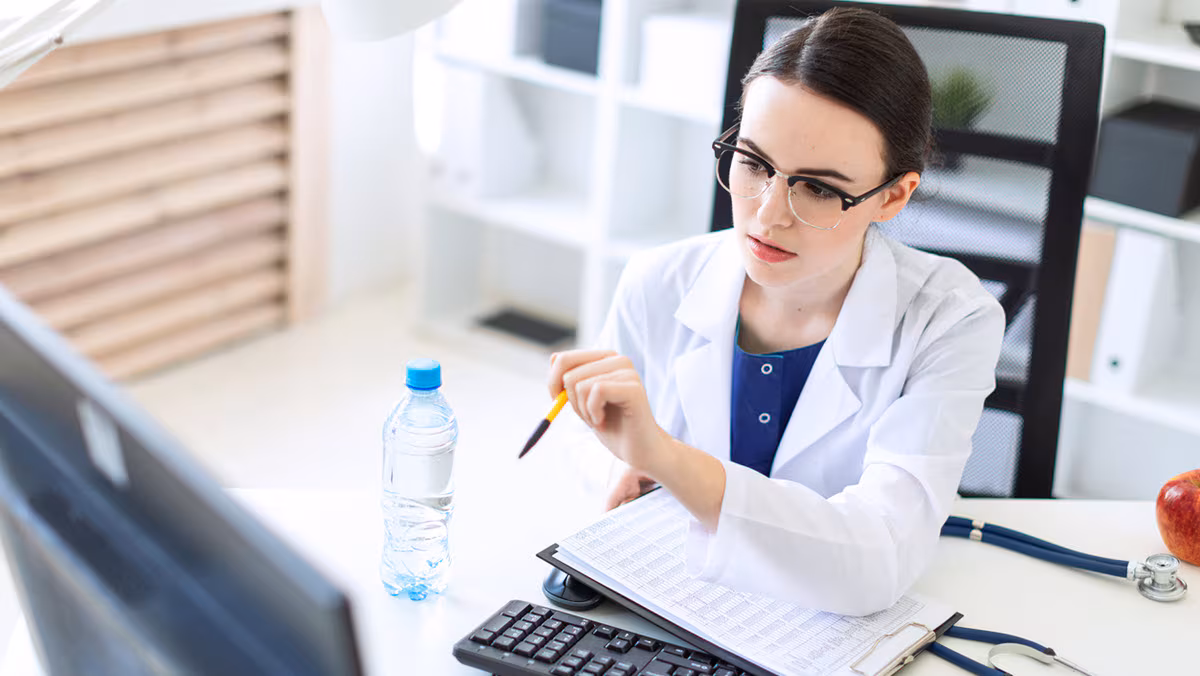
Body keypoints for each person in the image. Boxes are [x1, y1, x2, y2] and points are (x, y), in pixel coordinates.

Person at [547, 7, 1005, 617]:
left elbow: (878, 562)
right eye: (754, 163)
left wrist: (667, 459)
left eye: (818, 188)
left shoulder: (950, 321)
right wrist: (615, 466)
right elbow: (592, 436)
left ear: (894, 196)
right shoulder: (658, 281)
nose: (767, 214)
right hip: (678, 608)